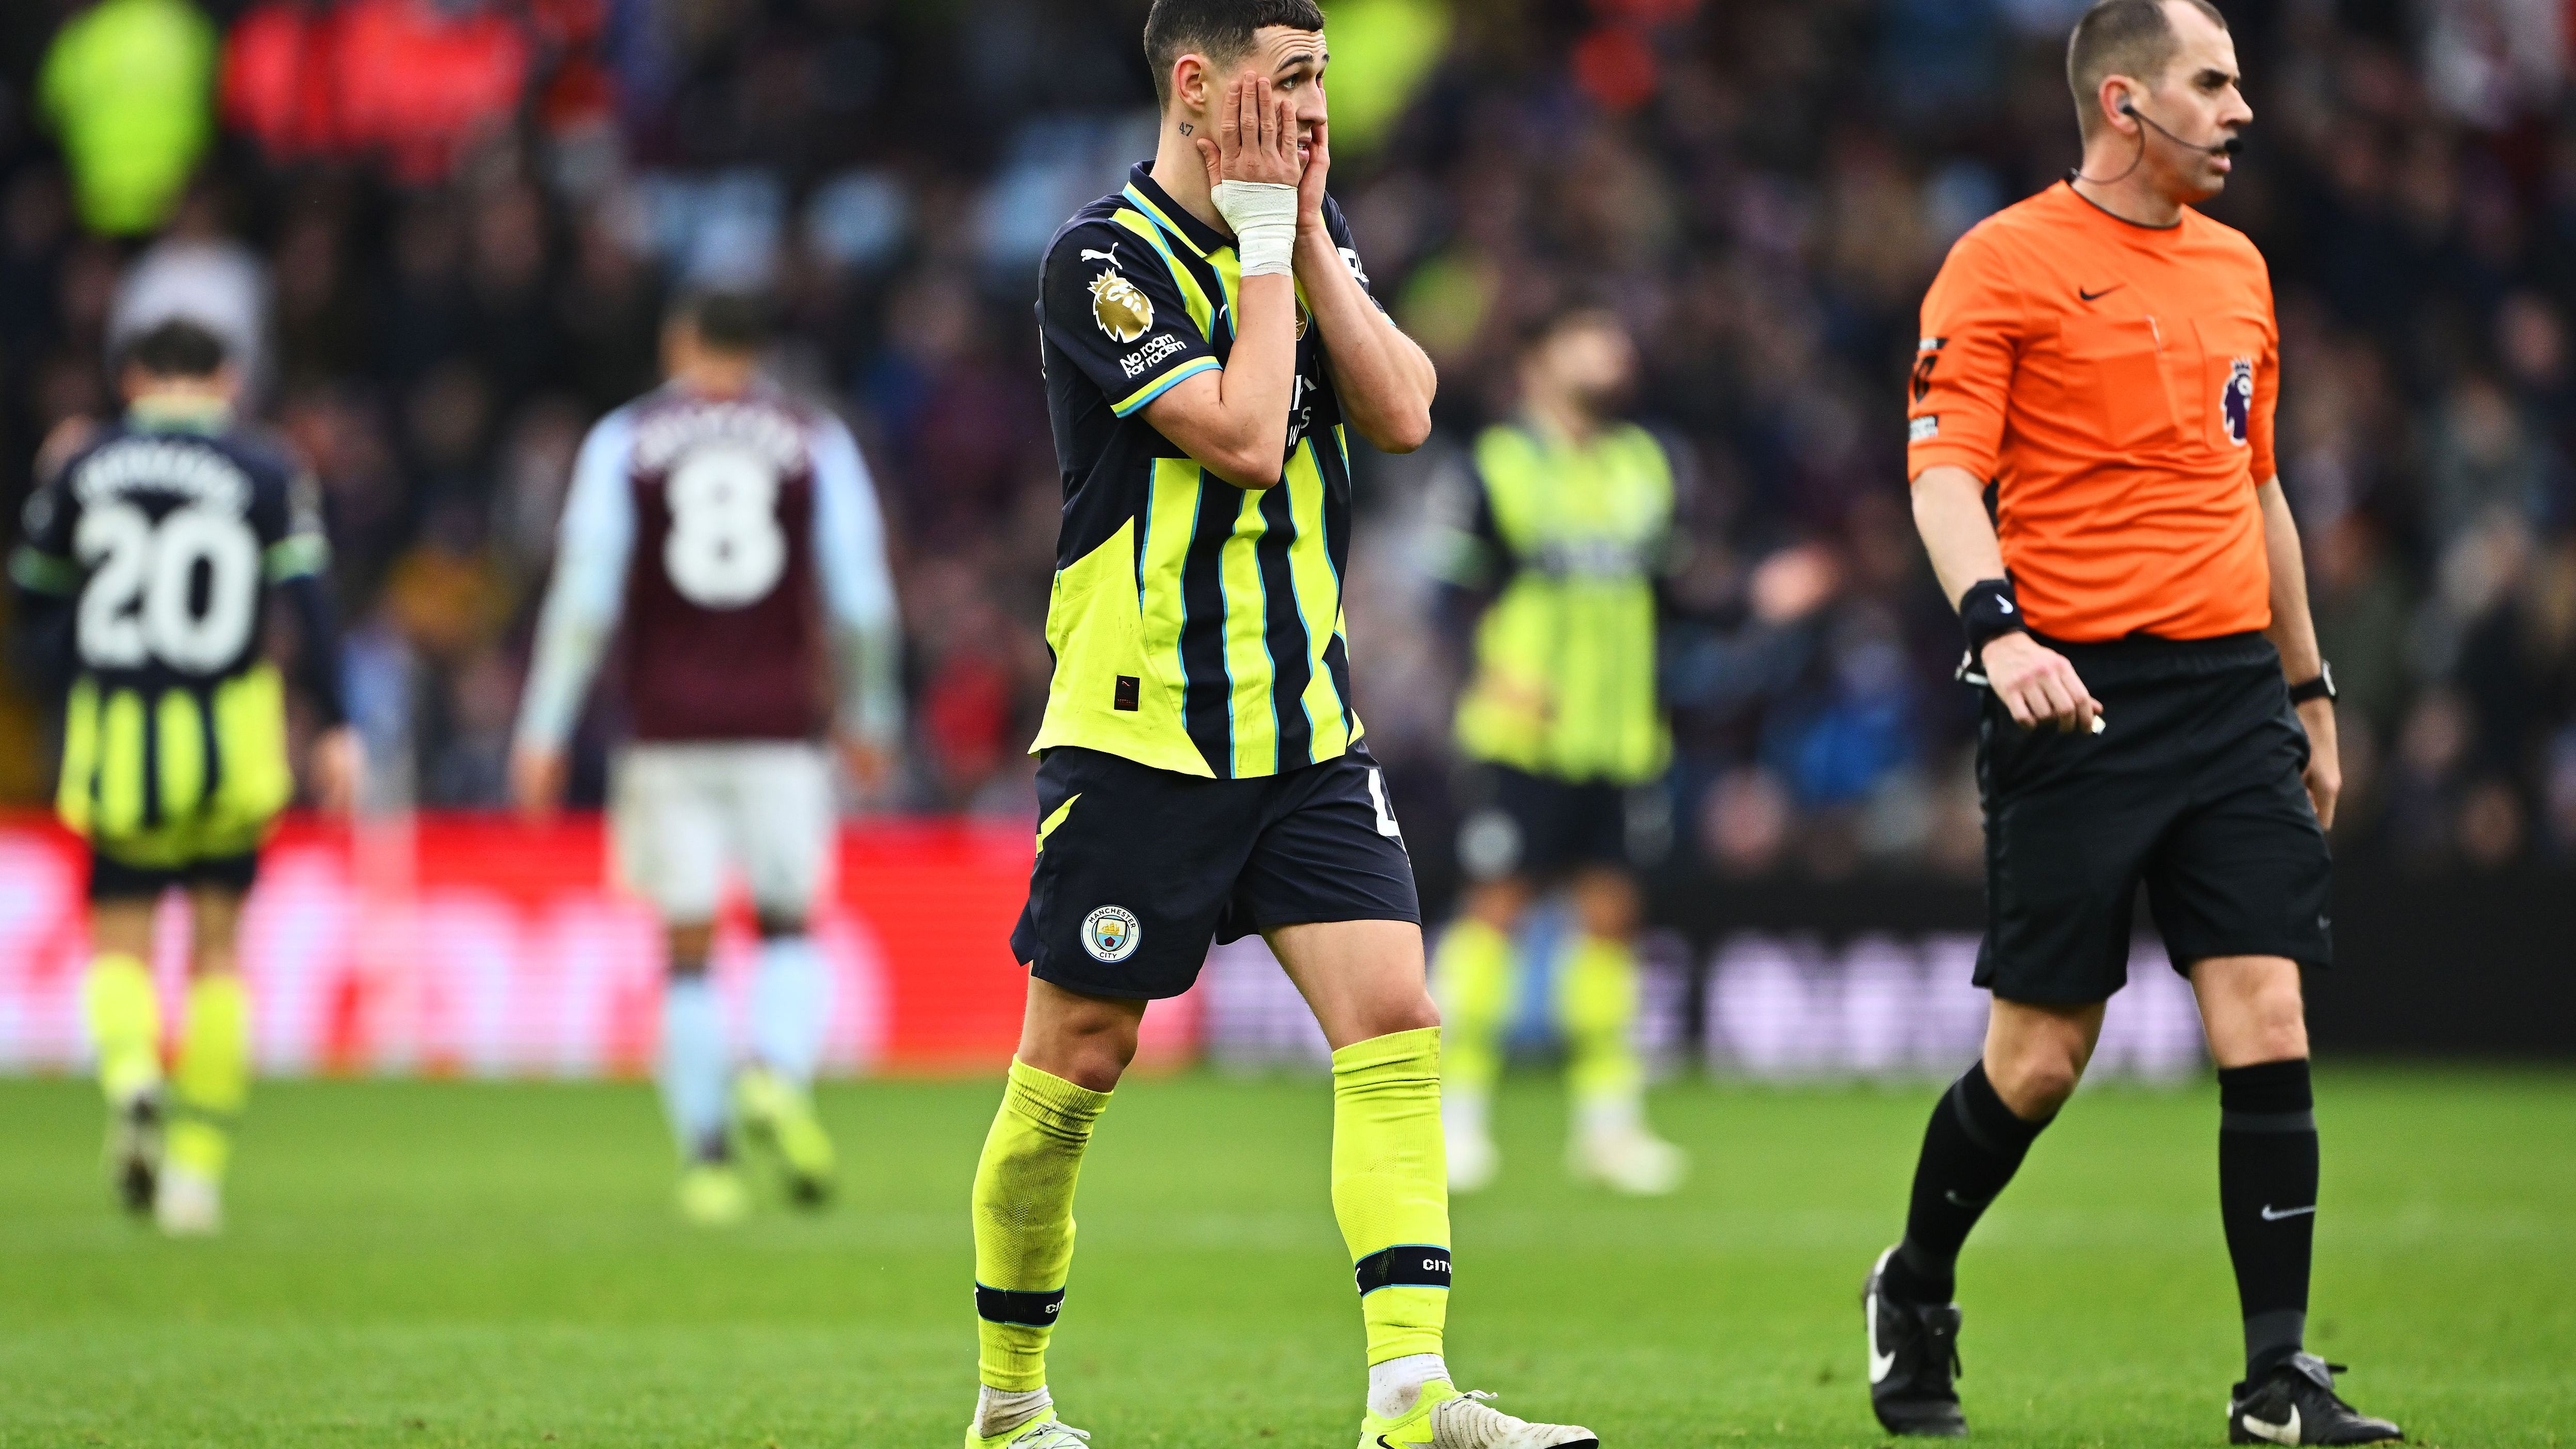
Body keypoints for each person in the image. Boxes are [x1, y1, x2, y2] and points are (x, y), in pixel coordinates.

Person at [967, 4, 1594, 1447]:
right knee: (1075, 1063)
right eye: (1292, 79)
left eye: (1321, 76)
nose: (1319, 105)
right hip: (1142, 732)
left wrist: (1303, 236)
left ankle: (1410, 1394)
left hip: (1306, 727)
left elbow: (1406, 409)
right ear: (1198, 89)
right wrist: (1263, 245)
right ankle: (1009, 1402)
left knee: (1395, 1021)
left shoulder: (1309, 230)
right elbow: (1249, 437)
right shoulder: (1101, 261)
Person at [1861, 3, 2402, 1443]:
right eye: (2210, 84)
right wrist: (2000, 632)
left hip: (2230, 693)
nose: (2240, 110)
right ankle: (1915, 1284)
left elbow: (2260, 488)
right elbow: (1939, 477)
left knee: (2265, 1010)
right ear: (2123, 100)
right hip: (2073, 694)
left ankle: (2276, 1377)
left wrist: (2308, 689)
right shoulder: (2002, 262)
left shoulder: (2238, 270)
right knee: (2038, 1059)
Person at [509, 291, 904, 1226]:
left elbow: (586, 594)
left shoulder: (625, 440)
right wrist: (871, 710)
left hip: (666, 729)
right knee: (788, 925)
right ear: (760, 350)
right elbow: (860, 599)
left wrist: (541, 728)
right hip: (781, 728)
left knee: (686, 948)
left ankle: (709, 1160)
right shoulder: (814, 438)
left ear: (679, 343)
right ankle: (776, 1069)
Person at [10, 318, 359, 1235]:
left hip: (121, 732)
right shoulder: (268, 467)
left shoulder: (82, 466)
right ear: (228, 378)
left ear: (130, 377)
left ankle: (131, 1079)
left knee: (119, 940)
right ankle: (197, 1175)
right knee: (216, 950)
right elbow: (313, 606)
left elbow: (31, 607)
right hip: (230, 736)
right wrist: (334, 722)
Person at [1427, 307, 1687, 1197]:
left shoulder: (1644, 464)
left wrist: (1751, 599)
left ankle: (1607, 1125)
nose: (1614, 351)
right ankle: (1453, 1114)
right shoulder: (1495, 465)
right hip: (1520, 736)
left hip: (1619, 736)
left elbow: (1670, 590)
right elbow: (1447, 597)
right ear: (1538, 359)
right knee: (1494, 908)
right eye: (1589, 336)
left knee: (1611, 919)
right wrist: (1489, 675)